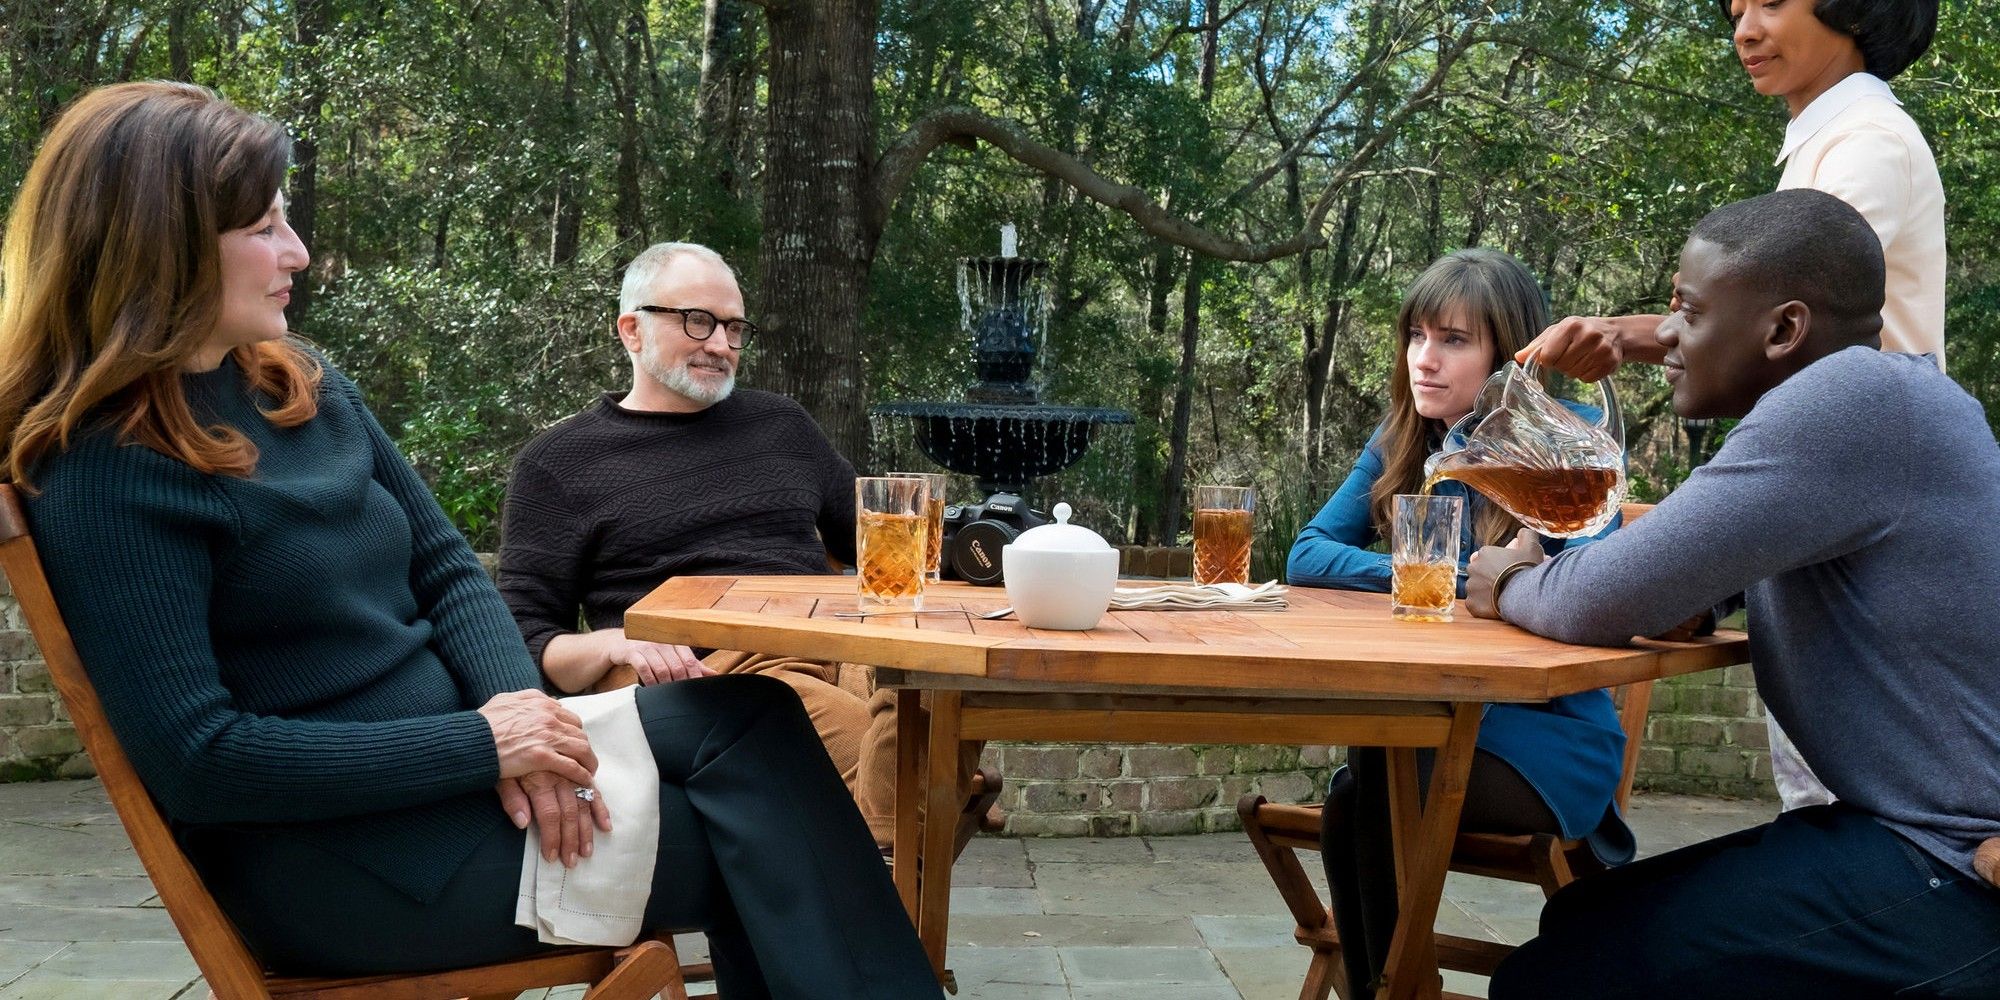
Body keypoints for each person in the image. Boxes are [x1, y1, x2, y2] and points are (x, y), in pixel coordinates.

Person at [0, 81, 939, 997]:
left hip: (464, 771)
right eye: (262, 228)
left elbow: (449, 571)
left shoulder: (298, 383)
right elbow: (199, 759)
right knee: (778, 836)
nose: (298, 249)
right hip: (361, 862)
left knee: (756, 723)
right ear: (159, 251)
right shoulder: (108, 467)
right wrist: (482, 747)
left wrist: (519, 717)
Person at [1471, 189, 2000, 998]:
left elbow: (1596, 600)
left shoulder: (1846, 404)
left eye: (1686, 310)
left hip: (1956, 868)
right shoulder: (1884, 403)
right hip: (1910, 836)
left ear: (1784, 329)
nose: (1668, 336)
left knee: (1556, 980)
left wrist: (1506, 578)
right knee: (1582, 919)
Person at [1522, 0, 1942, 812]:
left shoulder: (1868, 149)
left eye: (1772, 4)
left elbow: (1769, 323)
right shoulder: (1828, 141)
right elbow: (1758, 325)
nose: (1744, 29)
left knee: (1852, 809)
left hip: (1853, 509)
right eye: (1736, 7)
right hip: (1828, 502)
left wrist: (1623, 333)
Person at [499, 243, 979, 852]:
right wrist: (616, 639)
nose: (721, 344)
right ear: (632, 330)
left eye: (733, 328)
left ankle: (889, 843)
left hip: (842, 642)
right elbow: (522, 636)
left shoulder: (782, 426)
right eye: (697, 321)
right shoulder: (560, 463)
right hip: (719, 672)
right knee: (918, 756)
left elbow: (875, 544)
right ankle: (903, 840)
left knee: (946, 678)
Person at [1286, 248, 1633, 997]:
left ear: (1510, 358)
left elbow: (1594, 588)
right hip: (1436, 729)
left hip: (1551, 741)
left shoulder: (1569, 446)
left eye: (1454, 340)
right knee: (1360, 785)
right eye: (1416, 336)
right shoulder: (1403, 439)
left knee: (1376, 771)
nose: (1425, 360)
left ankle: (1391, 988)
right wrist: (1439, 575)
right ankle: (1394, 988)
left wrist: (1501, 578)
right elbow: (1307, 553)